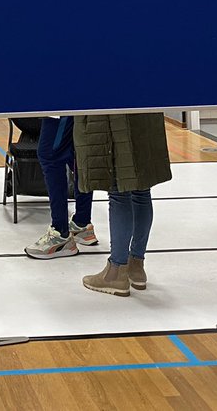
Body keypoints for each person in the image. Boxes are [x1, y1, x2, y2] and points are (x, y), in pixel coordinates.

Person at [75, 112, 172, 296]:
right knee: (142, 188)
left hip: (113, 111)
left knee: (119, 190)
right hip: (144, 112)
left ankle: (116, 272)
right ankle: (136, 266)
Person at [24, 116, 97, 259]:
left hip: (61, 104)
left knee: (49, 156)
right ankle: (81, 222)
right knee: (75, 154)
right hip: (72, 103)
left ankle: (60, 234)